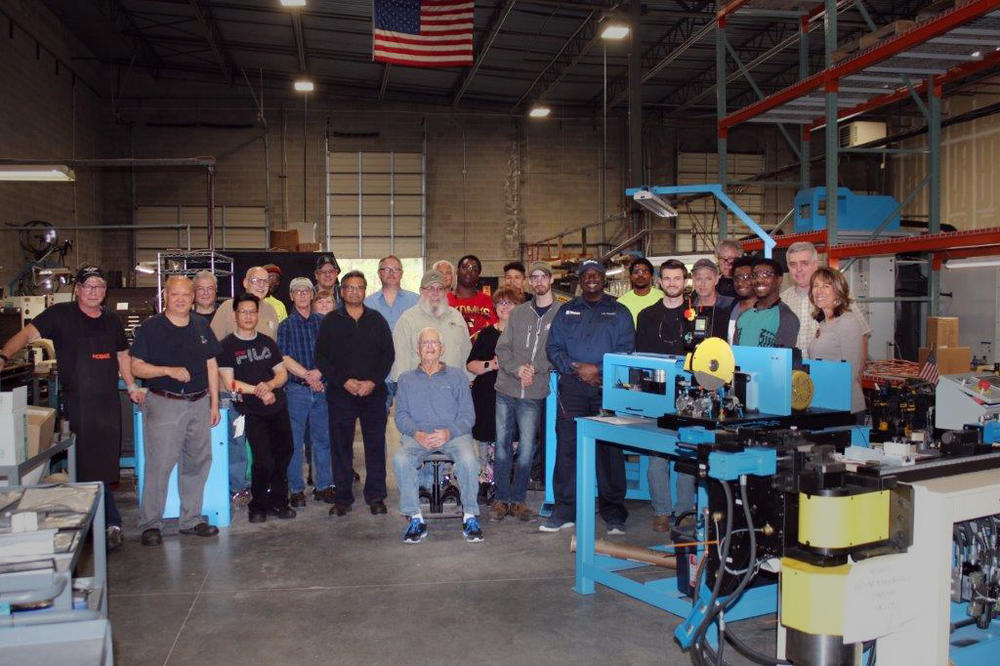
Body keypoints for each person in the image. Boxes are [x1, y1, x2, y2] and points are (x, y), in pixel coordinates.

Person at [0, 265, 141, 550]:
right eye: (88, 286)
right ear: (77, 289)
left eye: (99, 286)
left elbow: (122, 355)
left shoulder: (112, 320)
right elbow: (26, 335)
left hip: (107, 403)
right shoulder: (59, 315)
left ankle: (101, 520)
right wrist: (3, 355)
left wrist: (132, 384)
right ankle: (102, 521)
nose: (94, 291)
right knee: (84, 463)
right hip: (78, 402)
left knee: (106, 462)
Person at [543, 260, 634, 534]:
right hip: (572, 388)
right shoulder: (566, 311)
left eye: (596, 275)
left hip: (608, 390)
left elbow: (627, 349)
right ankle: (564, 511)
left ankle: (614, 514)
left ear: (603, 279)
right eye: (586, 275)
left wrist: (600, 371)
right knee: (568, 448)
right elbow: (554, 347)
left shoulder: (619, 311)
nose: (591, 278)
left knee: (609, 451)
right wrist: (577, 369)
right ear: (580, 281)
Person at [131, 276, 221, 546]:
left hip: (199, 402)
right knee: (160, 464)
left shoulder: (202, 325)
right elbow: (136, 367)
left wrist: (214, 403)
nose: (181, 299)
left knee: (196, 463)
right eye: (175, 294)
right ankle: (151, 523)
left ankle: (191, 519)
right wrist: (167, 370)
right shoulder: (151, 328)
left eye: (185, 294)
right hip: (165, 404)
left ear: (193, 297)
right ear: (165, 296)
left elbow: (212, 366)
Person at [392, 327, 483, 544]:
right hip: (418, 436)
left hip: (453, 434)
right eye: (425, 343)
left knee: (469, 461)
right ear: (418, 350)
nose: (430, 347)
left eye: (434, 343)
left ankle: (470, 516)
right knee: (401, 459)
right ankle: (415, 518)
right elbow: (401, 416)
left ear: (442, 349)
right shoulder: (406, 379)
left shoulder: (457, 376)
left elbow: (468, 415)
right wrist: (417, 433)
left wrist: (448, 432)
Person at [316, 271, 395, 517]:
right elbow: (322, 358)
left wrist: (372, 381)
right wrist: (343, 381)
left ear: (365, 290)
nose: (354, 292)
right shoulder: (330, 321)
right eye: (349, 287)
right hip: (341, 394)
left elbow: (387, 355)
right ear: (342, 291)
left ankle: (376, 496)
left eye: (359, 287)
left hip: (373, 394)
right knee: (341, 448)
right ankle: (342, 498)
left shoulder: (377, 320)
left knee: (375, 446)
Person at [216, 293, 296, 523]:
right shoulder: (227, 346)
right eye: (244, 312)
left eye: (252, 311)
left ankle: (279, 502)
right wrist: (260, 391)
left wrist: (270, 386)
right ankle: (258, 505)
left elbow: (282, 373)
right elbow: (229, 382)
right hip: (251, 411)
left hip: (277, 407)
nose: (248, 316)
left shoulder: (267, 342)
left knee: (284, 454)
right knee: (263, 460)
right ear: (235, 315)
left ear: (257, 315)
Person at [492, 261, 560, 522]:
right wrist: (517, 369)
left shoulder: (561, 314)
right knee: (501, 446)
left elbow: (559, 350)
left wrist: (536, 369)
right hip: (506, 388)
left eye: (544, 276)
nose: (539, 281)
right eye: (535, 277)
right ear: (530, 281)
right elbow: (502, 348)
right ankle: (501, 498)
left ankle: (518, 500)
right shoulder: (519, 313)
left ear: (551, 280)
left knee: (527, 448)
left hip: (533, 392)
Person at [635, 259, 696, 532]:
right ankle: (661, 510)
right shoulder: (647, 315)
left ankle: (685, 511)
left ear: (685, 281)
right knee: (656, 457)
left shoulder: (697, 314)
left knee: (686, 454)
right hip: (656, 391)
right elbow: (640, 358)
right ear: (660, 281)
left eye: (677, 278)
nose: (672, 283)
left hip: (690, 392)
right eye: (667, 278)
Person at [277, 277, 333, 508]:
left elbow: (332, 354)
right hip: (296, 391)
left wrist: (318, 374)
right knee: (295, 442)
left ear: (312, 295)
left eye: (306, 291)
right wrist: (308, 376)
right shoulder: (286, 326)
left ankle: (324, 486)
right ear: (291, 296)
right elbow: (284, 357)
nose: (301, 295)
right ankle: (296, 489)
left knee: (323, 440)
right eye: (296, 291)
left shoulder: (323, 323)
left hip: (322, 390)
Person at [467, 287, 522, 510]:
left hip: (516, 397)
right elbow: (471, 365)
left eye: (510, 303)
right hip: (488, 396)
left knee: (513, 442)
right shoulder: (487, 334)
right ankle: (486, 481)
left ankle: (507, 484)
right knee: (488, 441)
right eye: (501, 303)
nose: (505, 307)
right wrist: (492, 365)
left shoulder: (524, 336)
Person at [781, 241, 872, 358]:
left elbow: (861, 336)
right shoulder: (782, 300)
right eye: (793, 264)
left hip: (828, 372)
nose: (798, 269)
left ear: (815, 265)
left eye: (804, 263)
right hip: (792, 373)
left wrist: (857, 375)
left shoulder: (837, 296)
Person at [807, 268, 867, 421]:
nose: (818, 291)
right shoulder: (824, 324)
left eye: (826, 286)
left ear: (838, 291)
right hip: (825, 404)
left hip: (845, 408)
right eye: (815, 285)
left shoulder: (847, 322)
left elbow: (851, 371)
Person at [390, 270, 471, 382]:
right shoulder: (407, 320)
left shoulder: (457, 318)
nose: (435, 293)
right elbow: (400, 361)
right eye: (430, 288)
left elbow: (467, 354)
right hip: (419, 389)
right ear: (421, 291)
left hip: (453, 390)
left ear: (445, 291)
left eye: (440, 288)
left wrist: (468, 382)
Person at [365, 255, 419, 408]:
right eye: (386, 269)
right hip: (379, 375)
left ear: (401, 273)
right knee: (377, 421)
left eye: (396, 269)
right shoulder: (368, 303)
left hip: (409, 372)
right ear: (379, 273)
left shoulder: (416, 301)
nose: (391, 273)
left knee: (413, 421)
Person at [733, 257, 799, 349]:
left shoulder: (786, 317)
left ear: (779, 280)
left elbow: (781, 360)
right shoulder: (743, 316)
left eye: (766, 275)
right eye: (755, 276)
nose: (759, 280)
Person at [210, 266, 279, 341]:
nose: (261, 285)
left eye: (265, 281)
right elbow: (213, 343)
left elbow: (274, 345)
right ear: (245, 283)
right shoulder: (228, 307)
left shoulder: (271, 310)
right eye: (256, 280)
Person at [448, 254, 497, 341]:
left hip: (481, 352)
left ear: (478, 275)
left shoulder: (489, 301)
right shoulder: (444, 300)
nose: (469, 271)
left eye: (474, 269)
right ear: (457, 271)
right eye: (465, 267)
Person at [689, 258, 734, 341]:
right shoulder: (688, 308)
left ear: (716, 280)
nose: (703, 284)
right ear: (693, 280)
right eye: (698, 279)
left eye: (708, 279)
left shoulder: (730, 306)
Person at [616, 257, 664, 325]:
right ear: (630, 277)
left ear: (651, 276)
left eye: (645, 272)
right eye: (636, 272)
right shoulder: (621, 303)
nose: (640, 275)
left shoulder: (663, 297)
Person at [727, 256, 757, 344]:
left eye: (747, 277)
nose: (740, 283)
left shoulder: (767, 311)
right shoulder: (730, 308)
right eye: (737, 278)